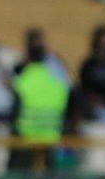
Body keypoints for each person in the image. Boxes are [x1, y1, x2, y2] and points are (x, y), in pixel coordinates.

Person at [9, 38, 70, 171]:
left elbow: (14, 111)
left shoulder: (22, 80)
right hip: (51, 136)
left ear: (28, 57)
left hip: (27, 137)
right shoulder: (56, 82)